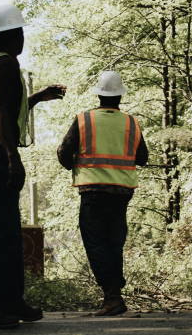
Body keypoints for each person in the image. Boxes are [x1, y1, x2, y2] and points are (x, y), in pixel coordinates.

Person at [0, 4, 66, 330]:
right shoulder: (6, 65)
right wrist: (12, 155)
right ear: (12, 35)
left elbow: (8, 107)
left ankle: (11, 301)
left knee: (8, 233)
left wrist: (37, 97)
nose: (23, 38)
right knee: (0, 235)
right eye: (20, 32)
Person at [56, 71, 148, 316]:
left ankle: (112, 295)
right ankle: (114, 294)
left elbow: (64, 154)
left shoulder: (84, 120)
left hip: (93, 191)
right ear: (120, 96)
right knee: (114, 241)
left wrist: (75, 164)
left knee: (96, 243)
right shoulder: (131, 123)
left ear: (98, 94)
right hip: (121, 192)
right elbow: (143, 158)